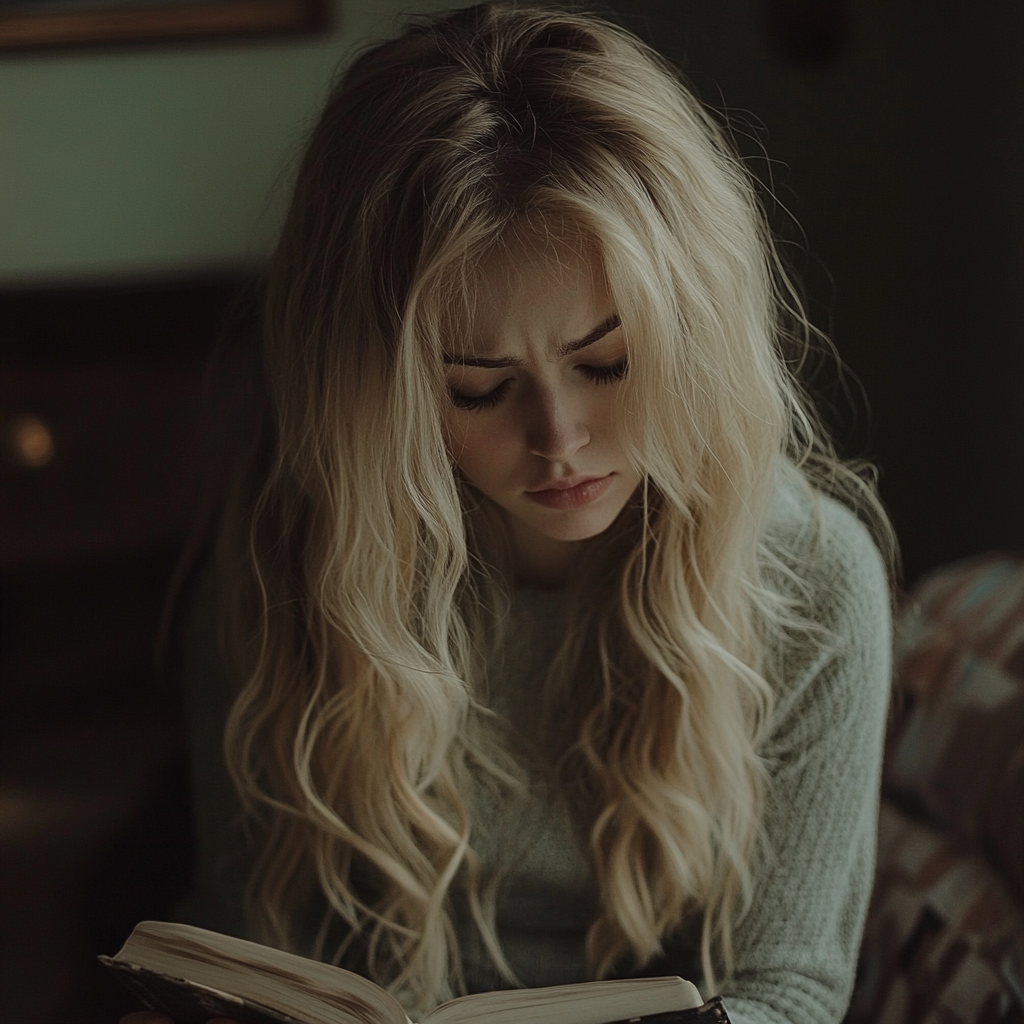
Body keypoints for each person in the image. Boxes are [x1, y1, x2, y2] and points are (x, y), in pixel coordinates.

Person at [123, 3, 897, 1024]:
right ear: (377, 401)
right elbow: (249, 942)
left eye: (607, 363)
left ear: (695, 333)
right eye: (479, 388)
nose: (559, 437)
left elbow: (792, 994)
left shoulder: (811, 585)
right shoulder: (285, 564)